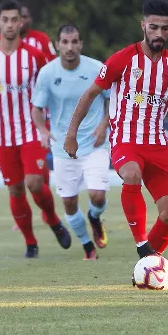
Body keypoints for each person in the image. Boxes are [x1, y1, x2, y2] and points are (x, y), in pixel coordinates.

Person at [64, 0, 168, 259]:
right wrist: (71, 134)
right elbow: (90, 95)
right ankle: (142, 244)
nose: (159, 34)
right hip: (126, 141)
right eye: (153, 27)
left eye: (165, 29)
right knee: (131, 174)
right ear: (143, 26)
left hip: (158, 145)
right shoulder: (122, 60)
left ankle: (149, 262)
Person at [0, 0, 72, 258]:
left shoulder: (35, 55)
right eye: (4, 20)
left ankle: (52, 220)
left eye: (13, 20)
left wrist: (49, 124)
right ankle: (30, 242)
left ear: (20, 22)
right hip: (2, 134)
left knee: (35, 183)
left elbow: (50, 88)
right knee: (15, 188)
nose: (9, 24)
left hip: (31, 130)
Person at [31, 24, 110, 260]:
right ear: (57, 45)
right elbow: (37, 108)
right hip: (63, 147)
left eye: (74, 42)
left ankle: (95, 218)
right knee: (68, 202)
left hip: (94, 143)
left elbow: (112, 100)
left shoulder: (96, 68)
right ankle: (88, 246)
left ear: (81, 44)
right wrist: (43, 131)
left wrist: (103, 126)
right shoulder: (47, 73)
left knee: (97, 195)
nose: (69, 47)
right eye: (64, 42)